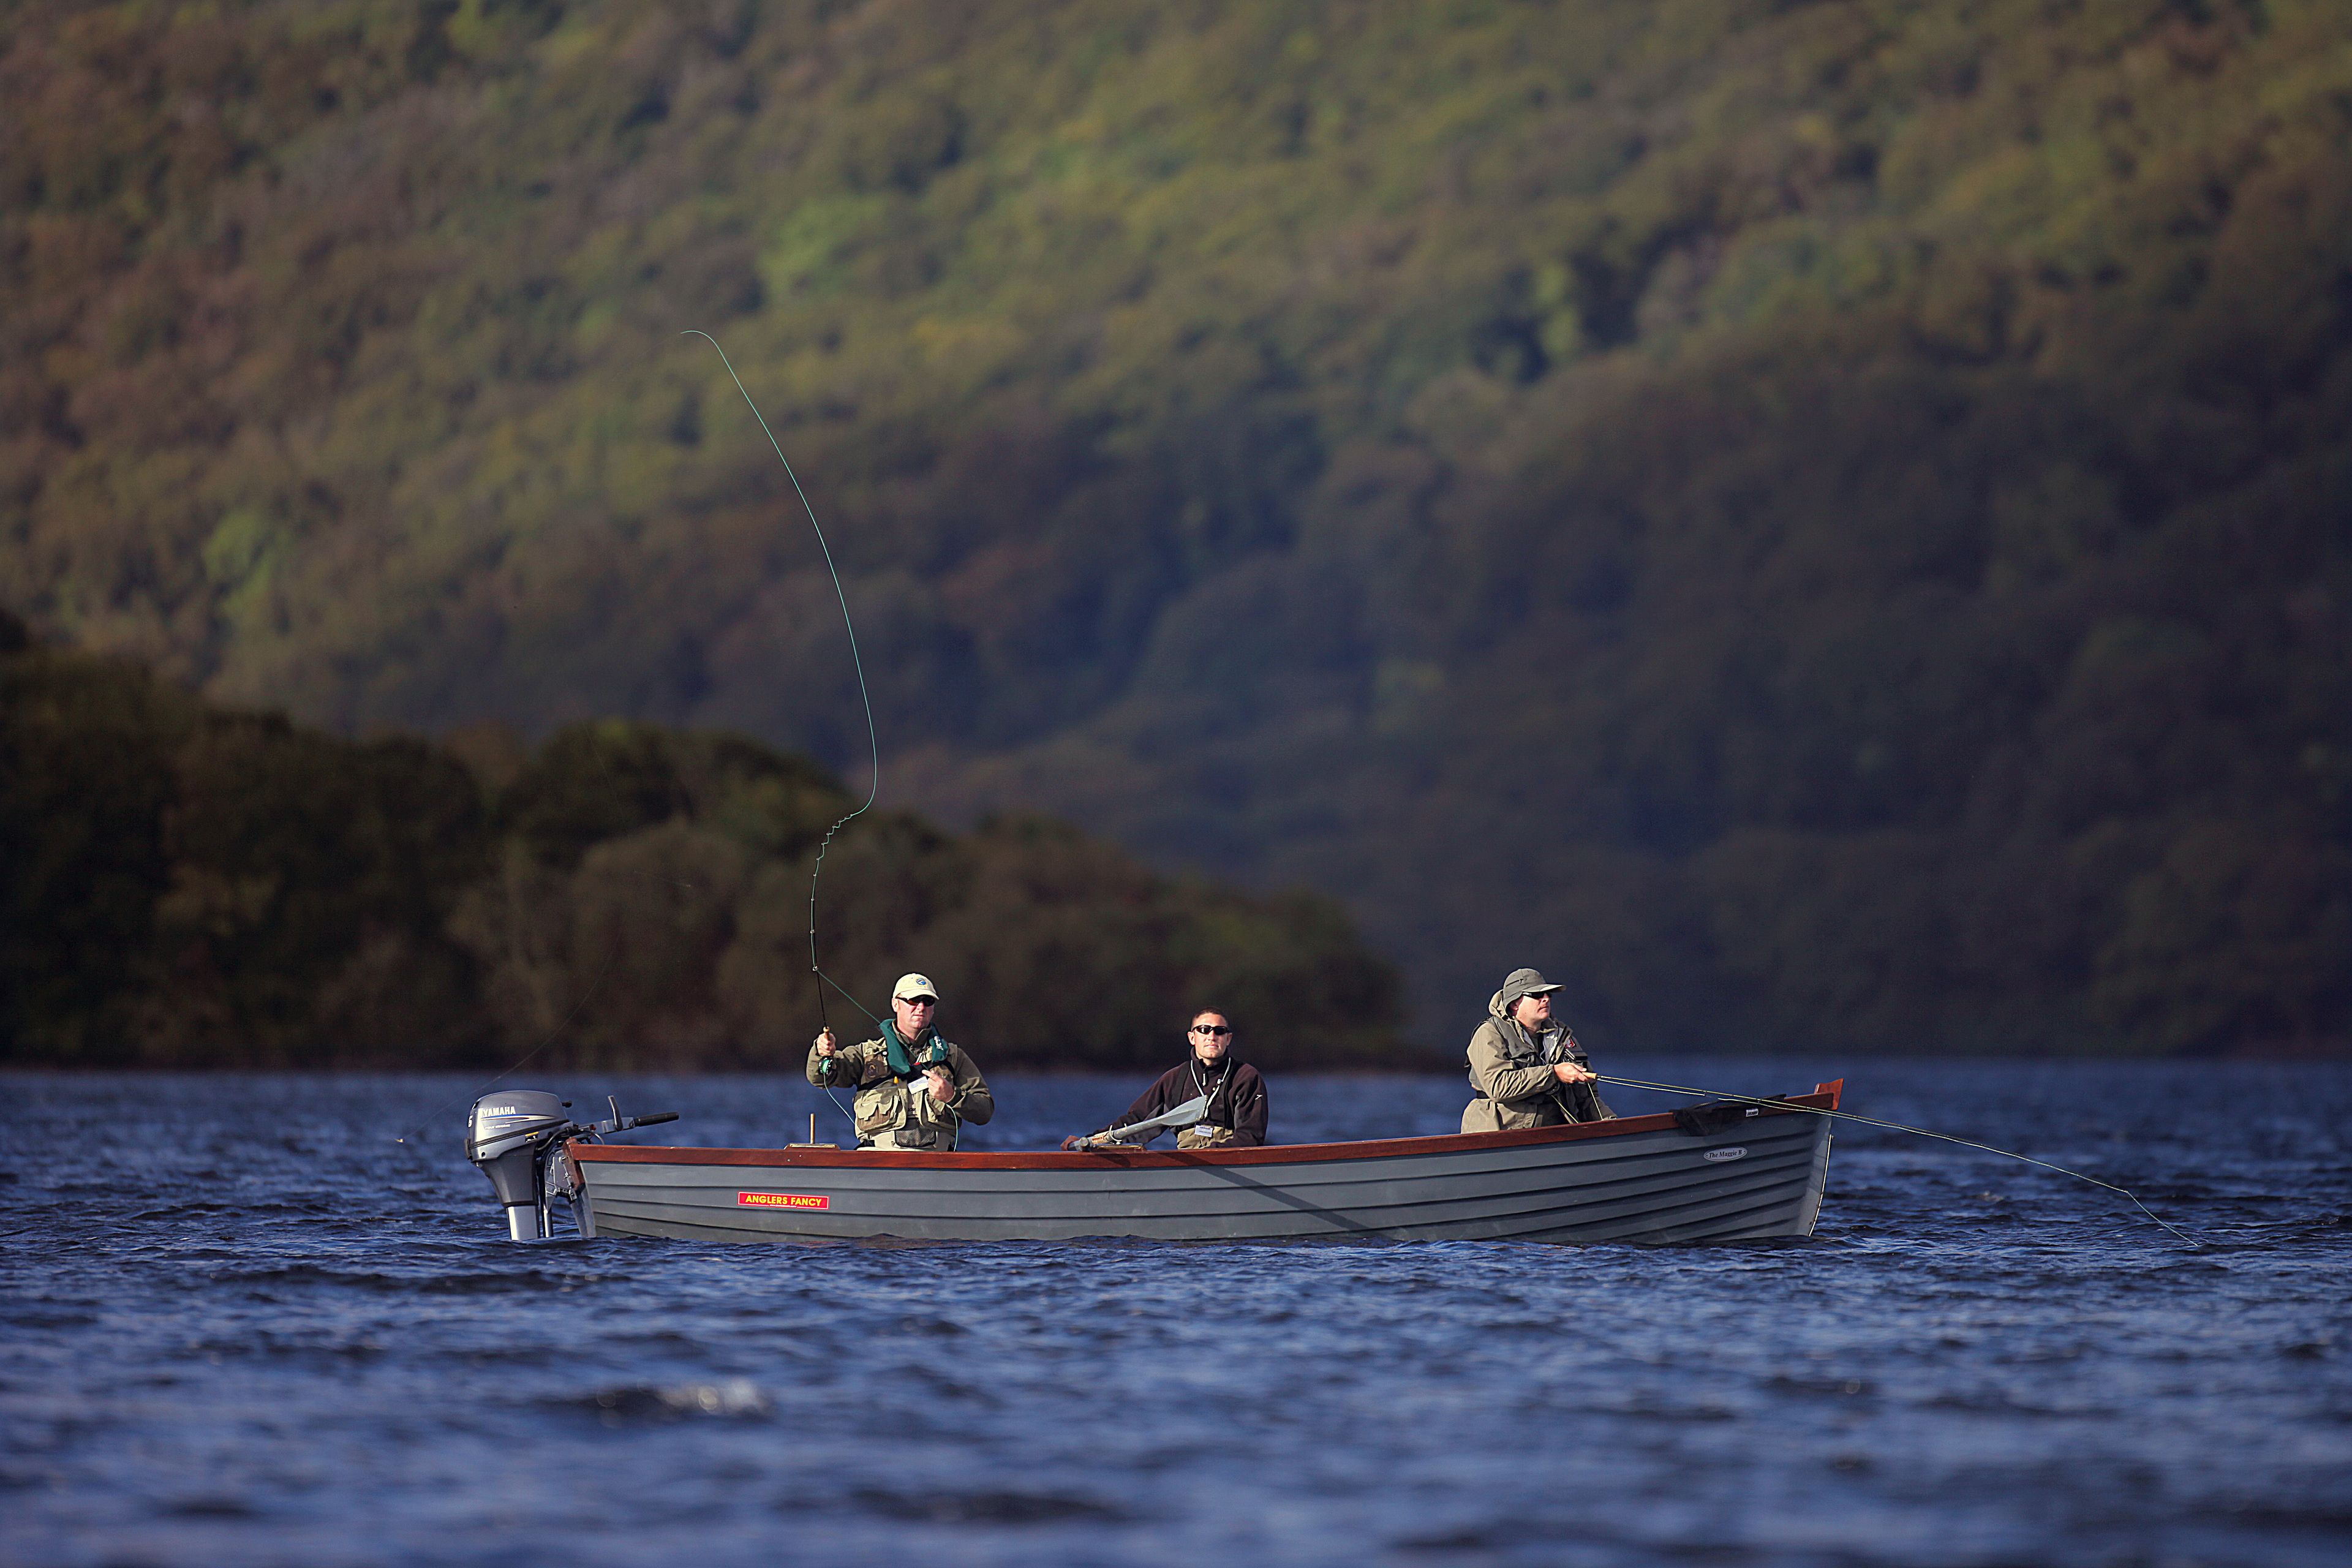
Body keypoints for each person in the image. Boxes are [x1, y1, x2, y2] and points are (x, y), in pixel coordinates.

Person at [809, 973, 994, 1151]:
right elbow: (820, 1077)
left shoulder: (953, 1057)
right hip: (877, 1161)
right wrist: (821, 1052)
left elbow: (985, 1110)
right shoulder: (865, 1054)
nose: (921, 1007)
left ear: (933, 1008)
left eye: (927, 1001)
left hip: (937, 1162)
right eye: (913, 1001)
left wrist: (952, 1096)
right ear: (896, 1004)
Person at [1063, 1009, 1268, 1150]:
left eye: (1219, 1031)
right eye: (1204, 1030)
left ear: (1228, 1039)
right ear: (1192, 1037)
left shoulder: (1246, 1077)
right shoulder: (1174, 1079)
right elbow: (1136, 1123)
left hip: (1230, 1162)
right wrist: (1090, 1140)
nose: (1212, 1036)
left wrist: (1212, 1154)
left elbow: (1251, 1137)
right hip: (1190, 1161)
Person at [1460, 968, 1613, 1134]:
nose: (1546, 999)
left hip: (1553, 1136)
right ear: (1514, 1004)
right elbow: (1499, 1087)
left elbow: (1587, 1098)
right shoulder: (1489, 1033)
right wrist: (1553, 1074)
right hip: (1498, 1136)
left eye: (1549, 995)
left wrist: (1615, 1127)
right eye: (1537, 995)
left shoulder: (1561, 1037)